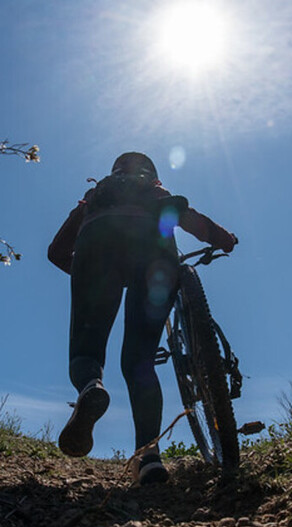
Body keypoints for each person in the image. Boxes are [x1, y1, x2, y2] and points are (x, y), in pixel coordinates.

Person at [48, 152, 237, 484]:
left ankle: (91, 386)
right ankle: (148, 458)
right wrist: (224, 239)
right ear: (153, 175)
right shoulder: (155, 192)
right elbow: (188, 218)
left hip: (96, 247)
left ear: (115, 173)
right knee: (140, 360)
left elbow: (56, 251)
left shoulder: (96, 196)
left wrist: (88, 276)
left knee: (87, 351)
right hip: (154, 256)